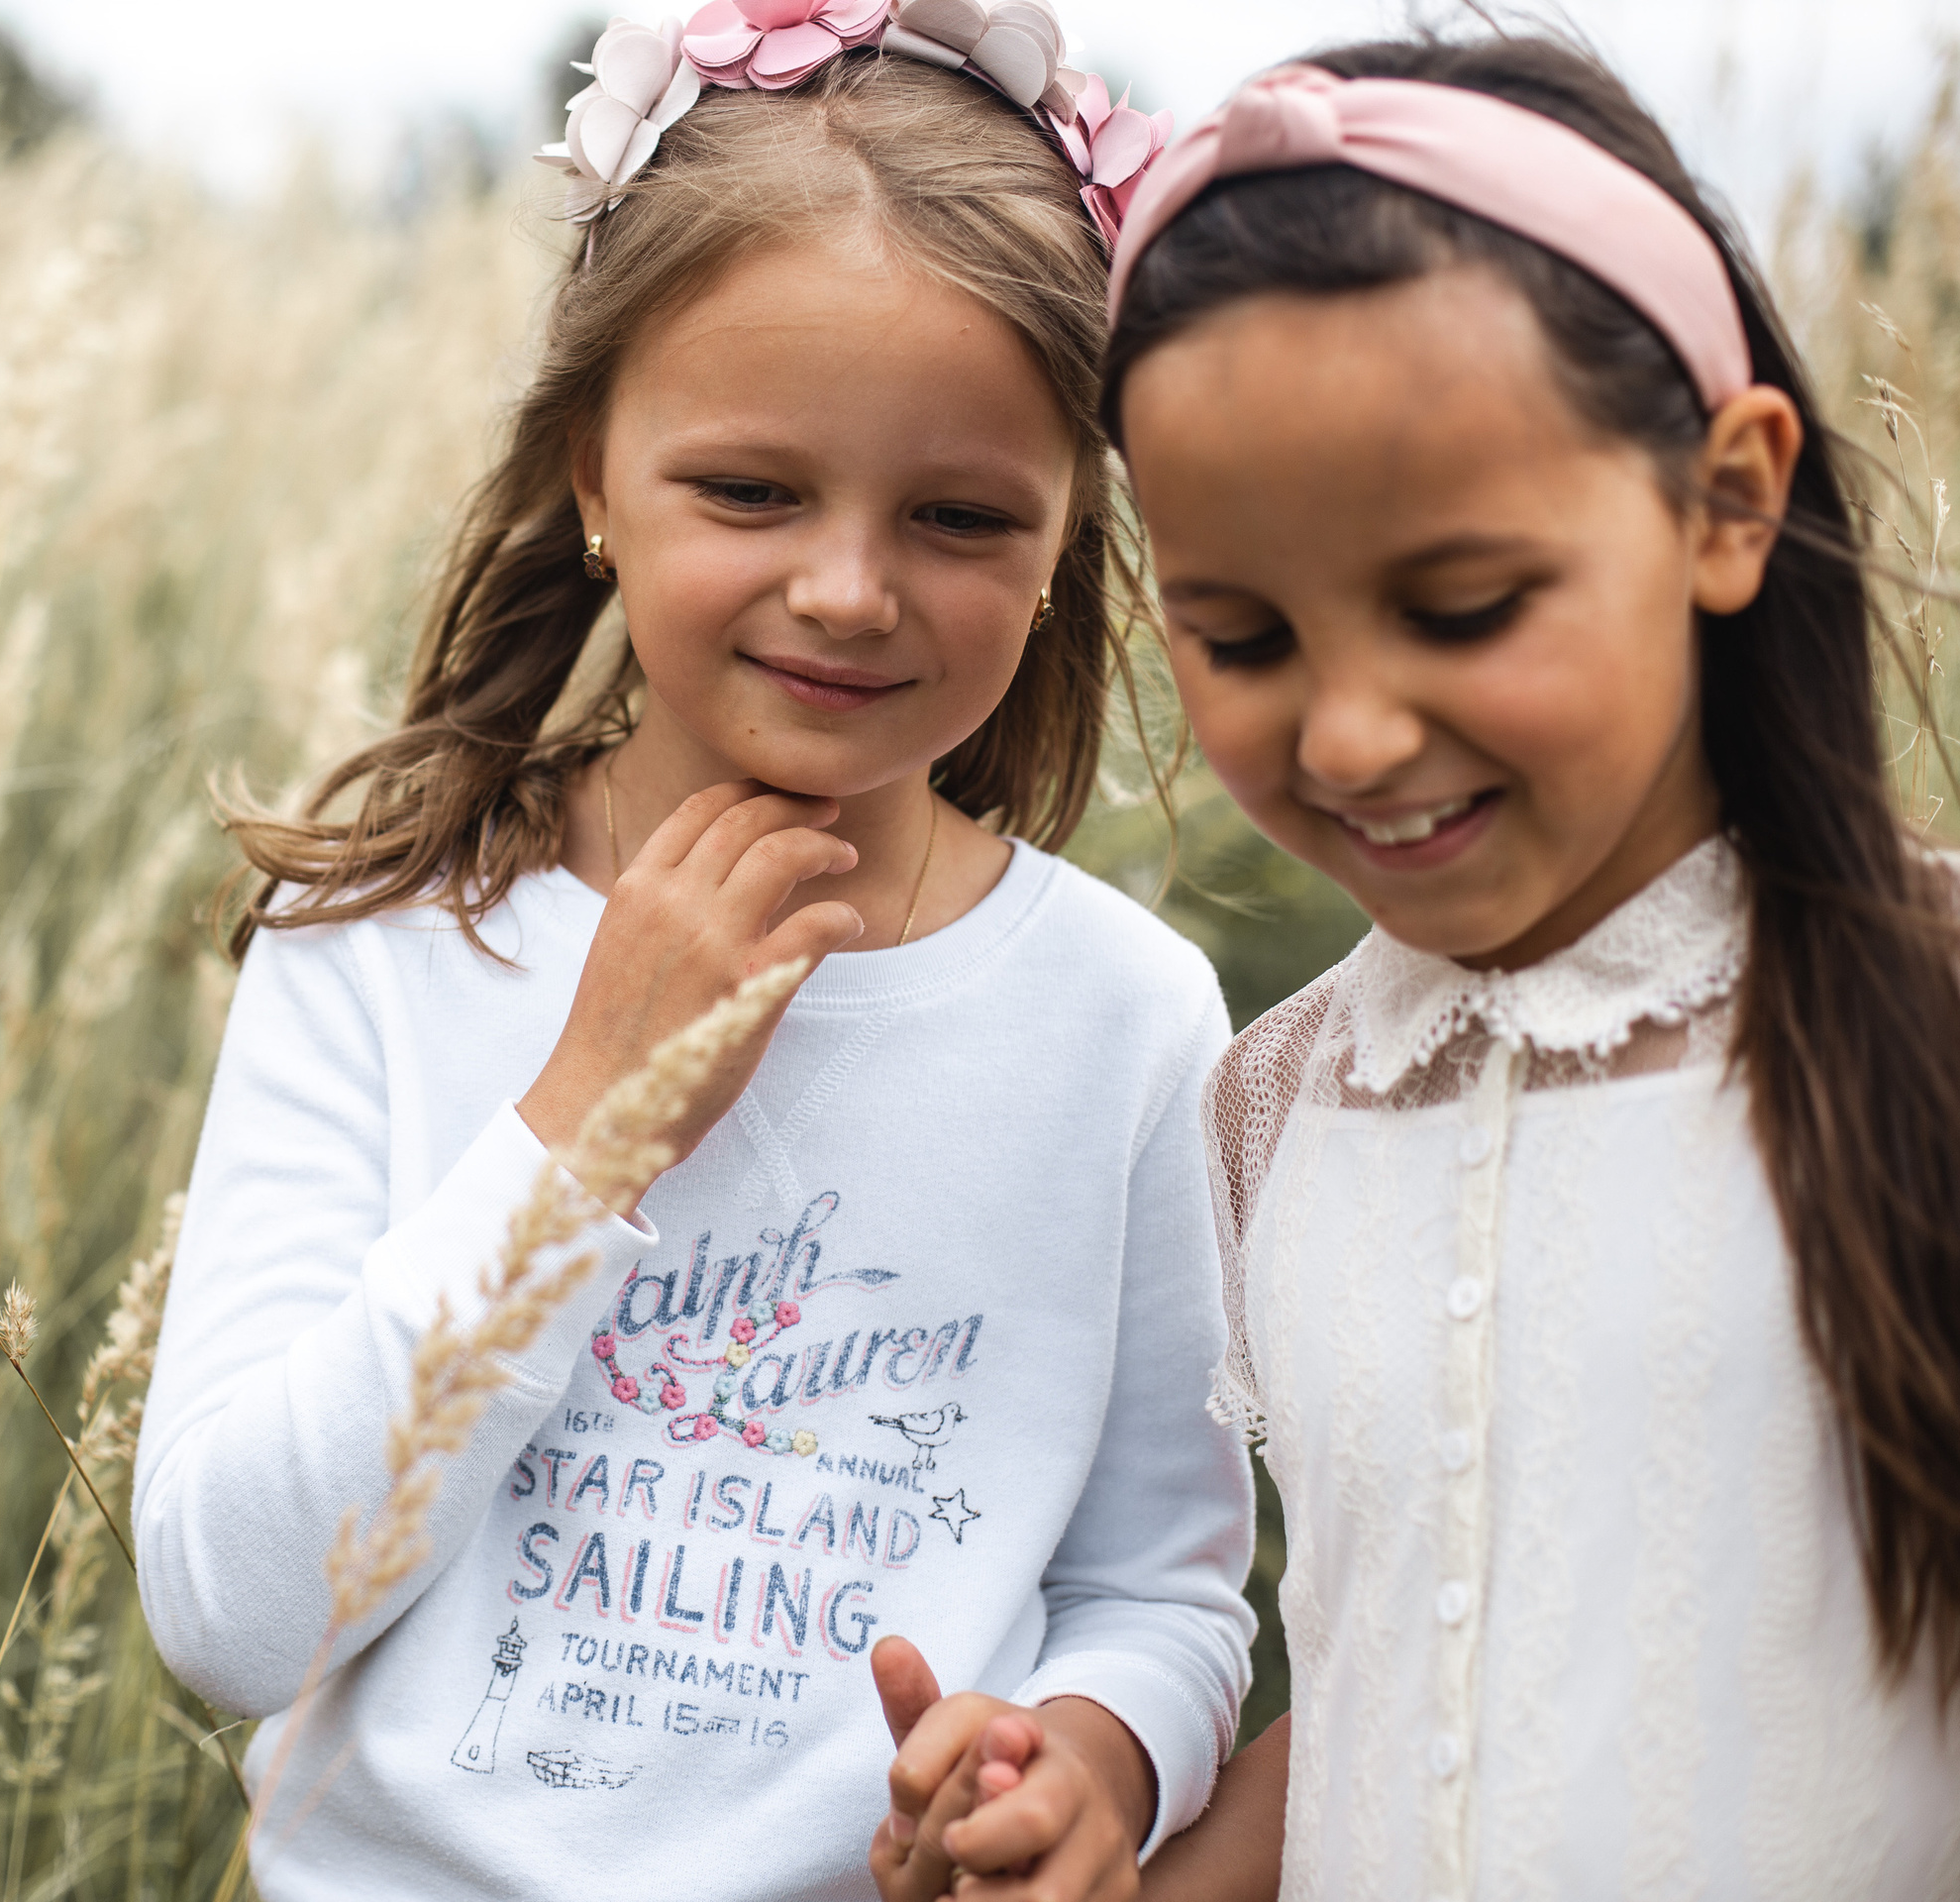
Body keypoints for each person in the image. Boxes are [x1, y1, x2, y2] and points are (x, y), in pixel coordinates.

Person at [131, 14, 1257, 1900]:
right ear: (594, 471)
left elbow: (1161, 1592)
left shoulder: (1127, 1024)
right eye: (749, 492)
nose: (847, 589)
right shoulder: (390, 949)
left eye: (961, 516)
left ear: (1069, 528)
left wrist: (1088, 1765)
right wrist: (594, 1118)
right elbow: (229, 1612)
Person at [1086, 34, 1960, 1901]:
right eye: (1243, 638)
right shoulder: (1277, 1099)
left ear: (1726, 502)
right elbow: (1394, 1686)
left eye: (1464, 607)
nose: (1350, 735)